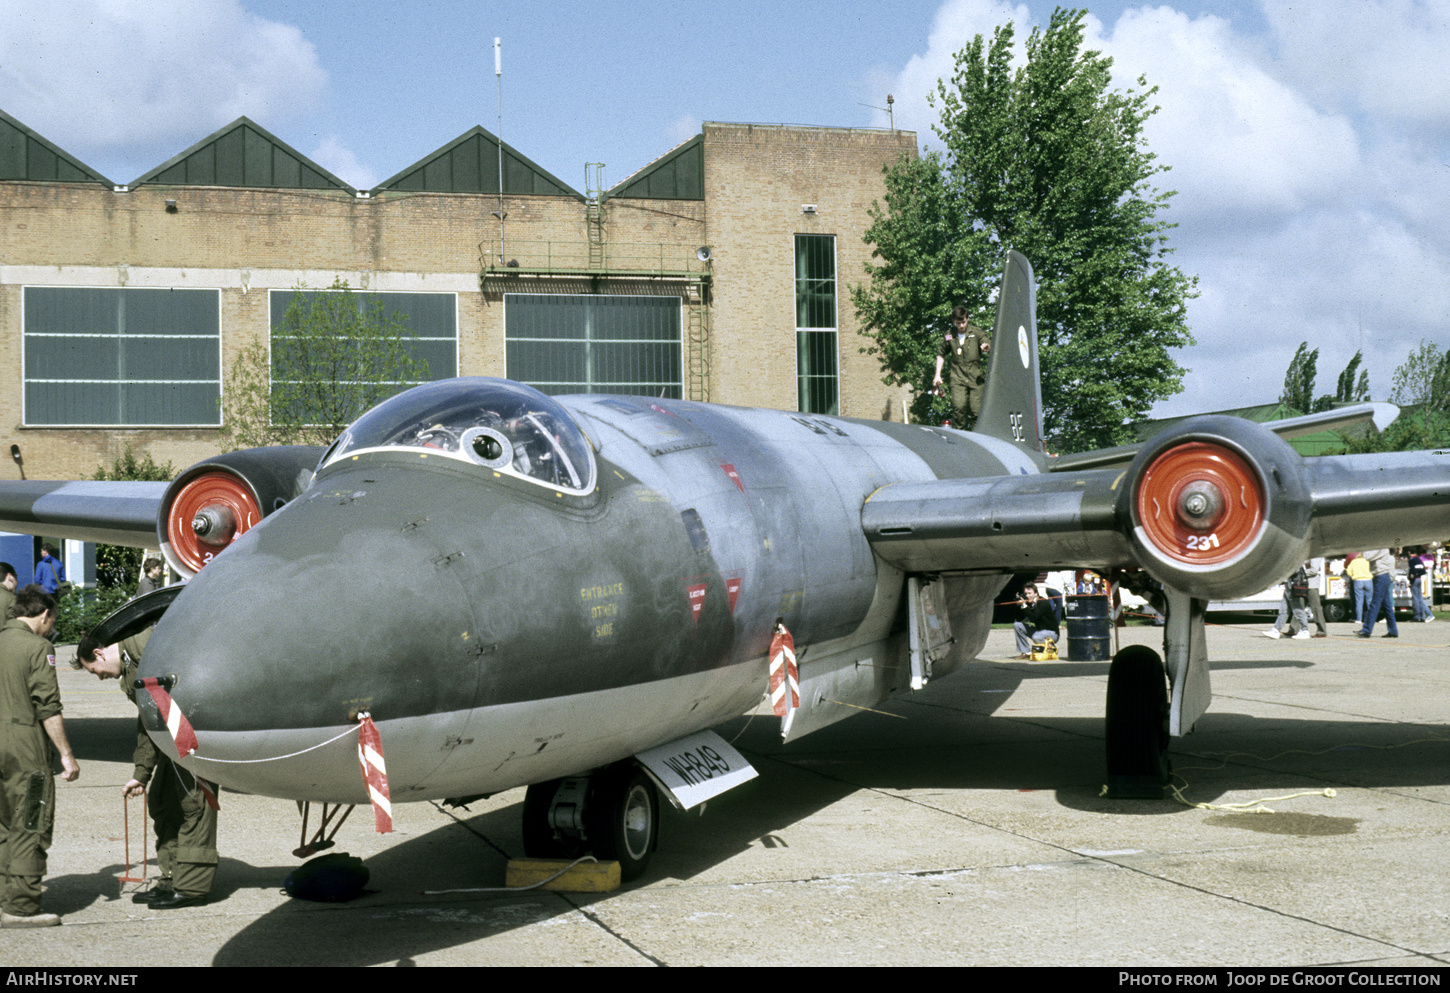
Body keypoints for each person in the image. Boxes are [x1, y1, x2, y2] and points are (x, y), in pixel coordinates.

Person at [76, 626, 218, 909]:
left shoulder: (146, 644)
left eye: (95, 670)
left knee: (193, 805)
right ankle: (170, 880)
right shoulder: (132, 665)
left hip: (191, 736)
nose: (100, 676)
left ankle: (191, 888)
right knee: (163, 803)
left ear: (99, 652)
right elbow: (148, 719)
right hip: (170, 739)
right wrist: (141, 774)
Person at [0, 585, 79, 928]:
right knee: (31, 821)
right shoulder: (39, 648)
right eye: (52, 619)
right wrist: (67, 755)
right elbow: (48, 708)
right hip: (23, 747)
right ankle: (21, 907)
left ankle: (5, 895)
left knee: (3, 824)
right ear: (44, 615)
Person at [932, 304, 991, 428]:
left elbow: (987, 342)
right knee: (958, 408)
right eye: (958, 323)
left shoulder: (976, 333)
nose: (961, 326)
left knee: (977, 412)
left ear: (967, 319)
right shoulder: (949, 335)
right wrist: (937, 375)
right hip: (958, 378)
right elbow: (941, 354)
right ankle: (960, 438)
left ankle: (978, 439)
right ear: (954, 322)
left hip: (975, 379)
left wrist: (986, 347)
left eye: (963, 322)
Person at [1356, 548, 1400, 639]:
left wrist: (1361, 551)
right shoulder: (1381, 548)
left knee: (1374, 604)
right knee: (1387, 606)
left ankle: (1366, 630)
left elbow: (1367, 556)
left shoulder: (1381, 548)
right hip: (1381, 577)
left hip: (1381, 577)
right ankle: (1393, 630)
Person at [1012, 583, 1060, 660]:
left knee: (1036, 637)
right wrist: (1019, 606)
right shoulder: (1029, 603)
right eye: (1025, 594)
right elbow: (1020, 619)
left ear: (1036, 594)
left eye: (1029, 593)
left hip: (1052, 633)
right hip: (1039, 631)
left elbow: (1034, 617)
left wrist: (1025, 606)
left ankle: (1051, 647)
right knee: (1017, 625)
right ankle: (1025, 652)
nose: (1027, 596)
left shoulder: (1043, 602)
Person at [1407, 548, 1433, 623]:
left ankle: (1417, 616)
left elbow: (1412, 571)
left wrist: (1411, 581)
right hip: (1420, 579)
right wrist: (1418, 575)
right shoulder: (1418, 559)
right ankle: (1422, 616)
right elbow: (1423, 571)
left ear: (1409, 552)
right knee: (1420, 598)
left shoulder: (1411, 560)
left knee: (1415, 599)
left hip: (1414, 580)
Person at [1346, 553, 1372, 623]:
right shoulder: (1367, 561)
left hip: (1357, 581)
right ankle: (1370, 618)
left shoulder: (1354, 562)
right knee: (1369, 601)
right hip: (1368, 580)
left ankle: (1359, 619)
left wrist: (1353, 575)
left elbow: (1348, 571)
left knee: (1359, 601)